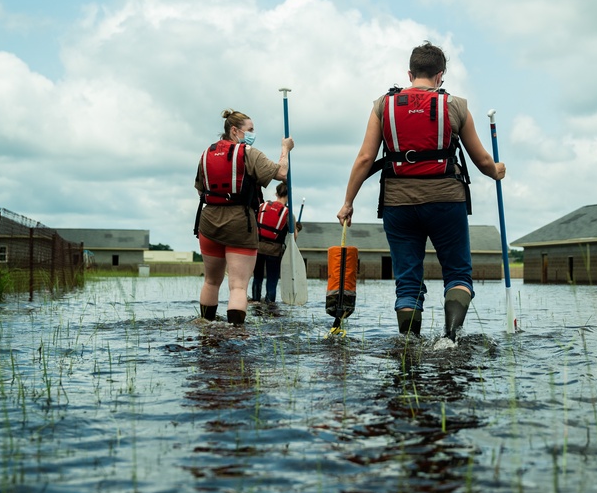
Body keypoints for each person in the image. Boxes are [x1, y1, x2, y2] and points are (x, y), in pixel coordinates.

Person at [336, 41, 505, 340]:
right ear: (440, 75)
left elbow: (364, 158)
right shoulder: (456, 105)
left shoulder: (382, 105)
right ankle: (450, 340)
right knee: (457, 274)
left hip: (397, 204)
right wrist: (497, 171)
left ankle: (409, 346)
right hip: (445, 201)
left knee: (408, 281)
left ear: (410, 72)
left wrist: (348, 202)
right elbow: (481, 161)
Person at [195, 109, 294, 325]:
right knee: (238, 286)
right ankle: (235, 335)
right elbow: (281, 173)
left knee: (211, 282)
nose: (252, 133)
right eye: (250, 129)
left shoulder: (206, 154)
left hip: (208, 223)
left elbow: (201, 189)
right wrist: (285, 149)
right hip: (240, 223)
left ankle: (205, 329)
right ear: (235, 130)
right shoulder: (248, 152)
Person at [251, 182, 302, 303]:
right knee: (271, 282)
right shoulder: (289, 214)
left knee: (257, 278)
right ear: (288, 196)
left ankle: (255, 303)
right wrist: (296, 228)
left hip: (257, 249)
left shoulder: (262, 206)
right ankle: (270, 308)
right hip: (274, 252)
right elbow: (293, 238)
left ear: (276, 193)